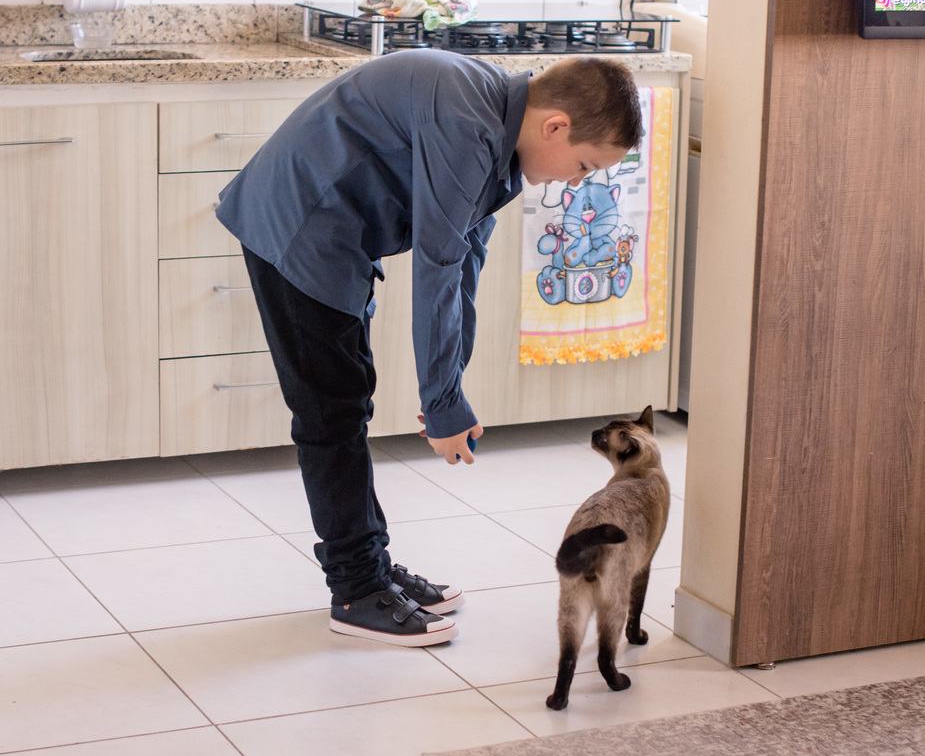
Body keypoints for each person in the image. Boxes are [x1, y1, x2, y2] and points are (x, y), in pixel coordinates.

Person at [215, 51, 642, 647]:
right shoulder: (468, 123)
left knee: (345, 404)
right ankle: (356, 589)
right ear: (555, 126)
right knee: (331, 412)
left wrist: (451, 391)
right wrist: (440, 403)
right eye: (584, 164)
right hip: (299, 225)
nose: (577, 182)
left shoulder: (500, 132)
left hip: (337, 228)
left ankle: (371, 567)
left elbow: (466, 258)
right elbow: (436, 266)